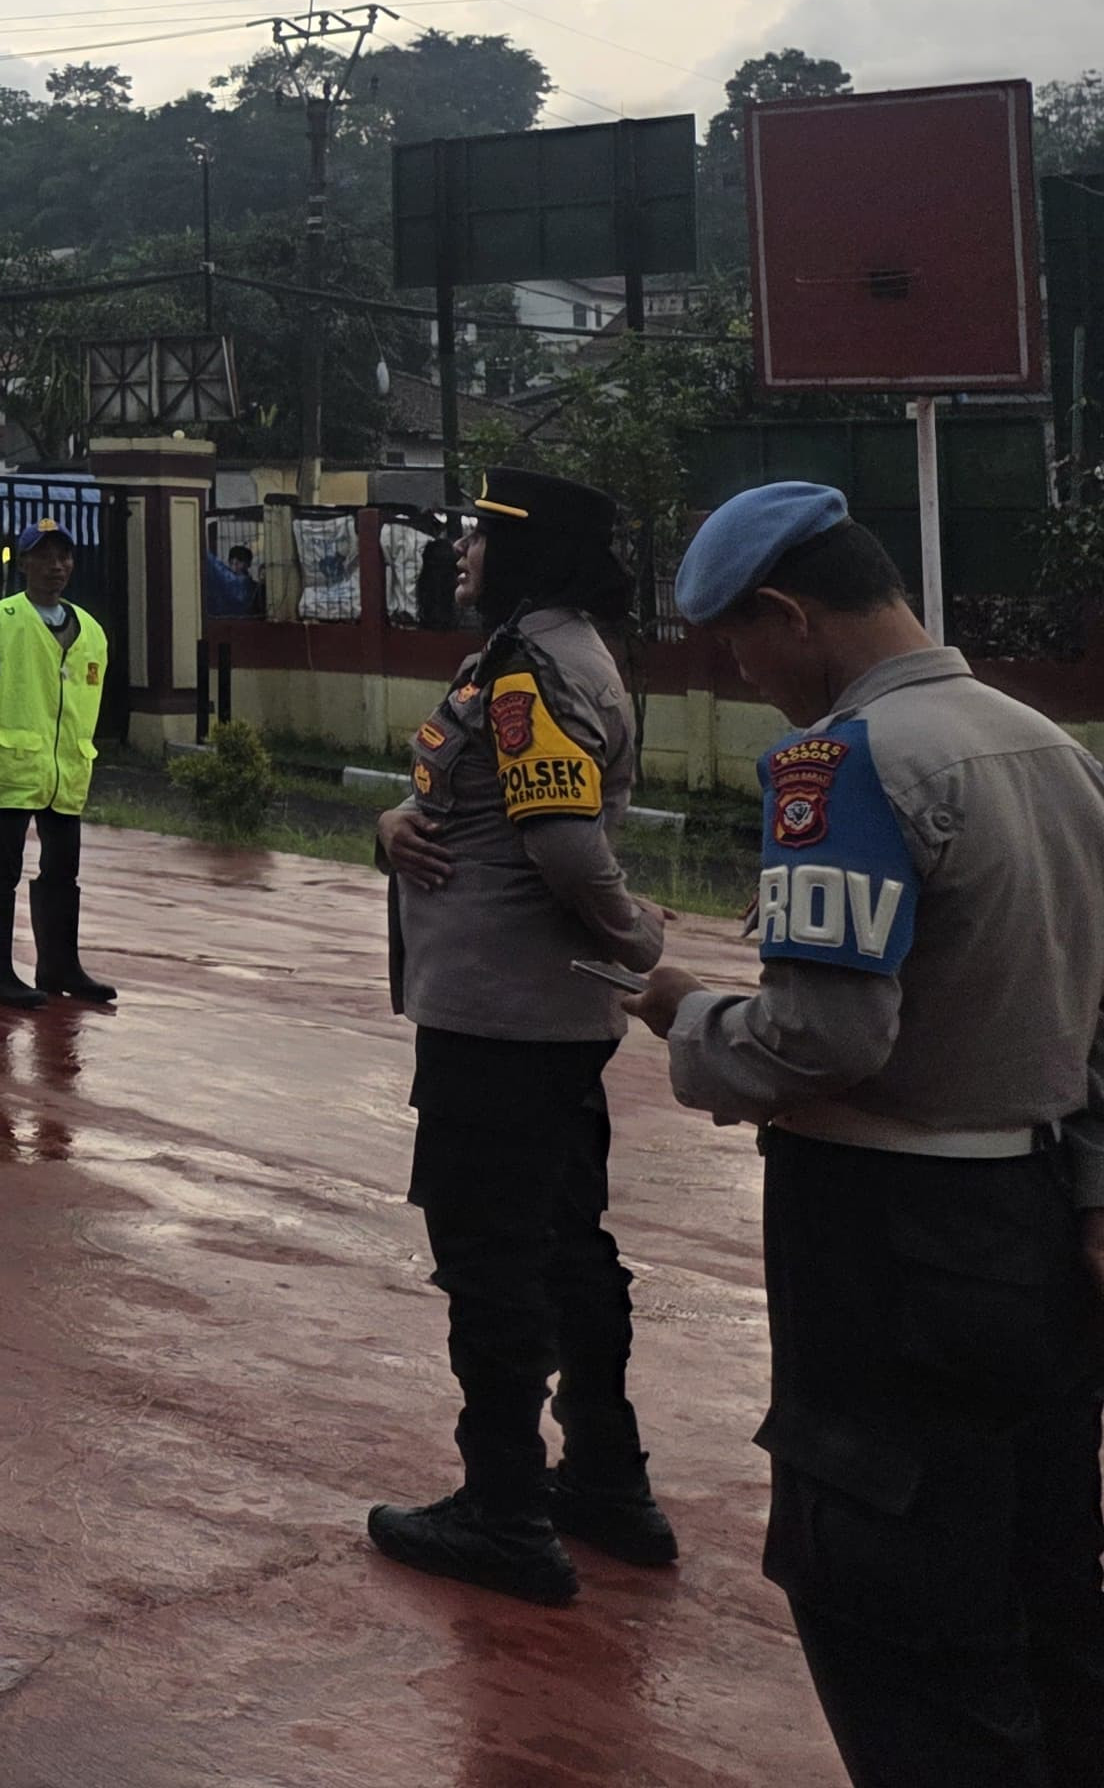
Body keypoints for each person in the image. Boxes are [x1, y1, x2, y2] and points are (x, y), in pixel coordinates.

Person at [630, 483, 1104, 1783]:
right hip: (1035, 1227)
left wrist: (688, 1015)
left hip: (888, 1255)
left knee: (902, 1632)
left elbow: (826, 1041)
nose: (742, 674)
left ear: (791, 614)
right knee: (1050, 1615)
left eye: (740, 644)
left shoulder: (842, 765)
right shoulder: (1049, 751)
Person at [362, 465, 669, 1606]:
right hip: (532, 1011)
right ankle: (605, 1481)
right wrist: (395, 822)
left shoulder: (533, 665)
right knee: (564, 1240)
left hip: (500, 1018)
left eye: (481, 538)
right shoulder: (531, 653)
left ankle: (504, 1508)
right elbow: (472, 801)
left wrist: (637, 939)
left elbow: (559, 842)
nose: (461, 553)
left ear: (528, 554)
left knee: (494, 1260)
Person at [0, 522, 117, 1011]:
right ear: (22, 564)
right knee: (1, 868)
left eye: (64, 556)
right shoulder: (1, 619)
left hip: (66, 769)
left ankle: (60, 965)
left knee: (63, 869)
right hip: (15, 764)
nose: (56, 566)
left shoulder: (90, 630)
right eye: (43, 557)